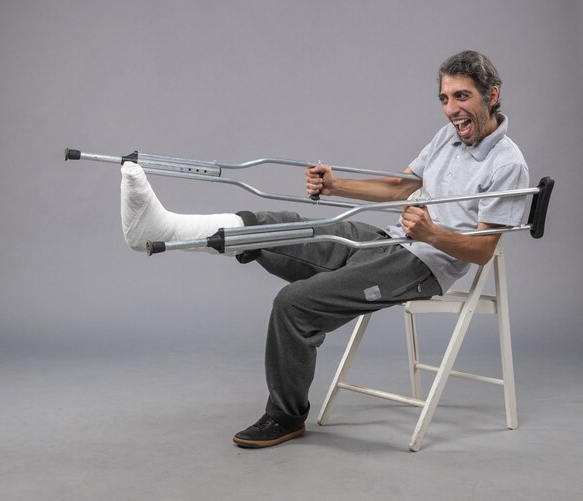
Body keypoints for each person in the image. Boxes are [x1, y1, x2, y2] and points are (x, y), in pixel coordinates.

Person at [119, 50, 529, 448]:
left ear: (491, 96)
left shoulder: (507, 164)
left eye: (462, 96)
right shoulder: (447, 137)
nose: (451, 109)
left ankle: (285, 415)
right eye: (444, 98)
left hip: (422, 266)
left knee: (294, 304)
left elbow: (481, 251)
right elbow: (398, 186)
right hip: (389, 240)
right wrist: (336, 185)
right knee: (274, 227)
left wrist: (431, 233)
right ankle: (164, 230)